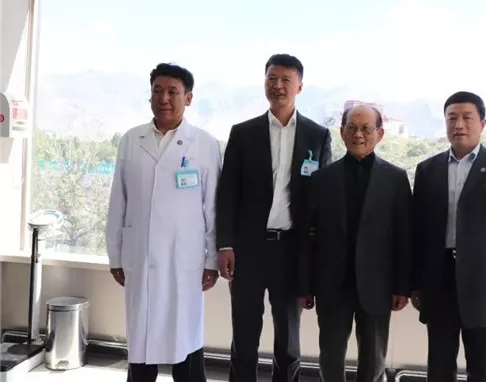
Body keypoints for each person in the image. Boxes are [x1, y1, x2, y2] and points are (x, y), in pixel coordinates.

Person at [215, 53, 333, 382]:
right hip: (248, 250)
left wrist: (315, 260)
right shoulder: (243, 133)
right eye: (271, 78)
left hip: (292, 251)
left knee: (289, 342)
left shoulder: (317, 135)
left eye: (285, 80)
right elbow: (227, 194)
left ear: (299, 87)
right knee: (244, 336)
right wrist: (225, 244)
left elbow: (323, 201)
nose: (277, 85)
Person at [105, 63, 221, 382]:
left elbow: (213, 208)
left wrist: (211, 260)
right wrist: (115, 256)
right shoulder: (132, 140)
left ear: (189, 98)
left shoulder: (205, 144)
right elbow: (118, 202)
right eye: (157, 91)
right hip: (140, 257)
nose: (164, 98)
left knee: (186, 341)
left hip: (184, 262)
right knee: (141, 343)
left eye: (172, 92)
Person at [411, 91, 486, 382]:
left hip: (484, 284)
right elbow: (417, 232)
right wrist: (416, 284)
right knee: (439, 365)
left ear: (482, 123)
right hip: (438, 281)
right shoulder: (427, 169)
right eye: (452, 118)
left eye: (466, 117)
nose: (458, 124)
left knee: (480, 366)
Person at [298, 104, 412, 382]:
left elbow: (404, 237)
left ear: (380, 134)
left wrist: (402, 287)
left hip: (378, 285)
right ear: (341, 132)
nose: (358, 134)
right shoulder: (321, 179)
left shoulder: (395, 178)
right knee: (330, 355)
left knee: (373, 359)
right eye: (352, 127)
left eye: (366, 128)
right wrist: (305, 285)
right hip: (331, 284)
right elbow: (306, 238)